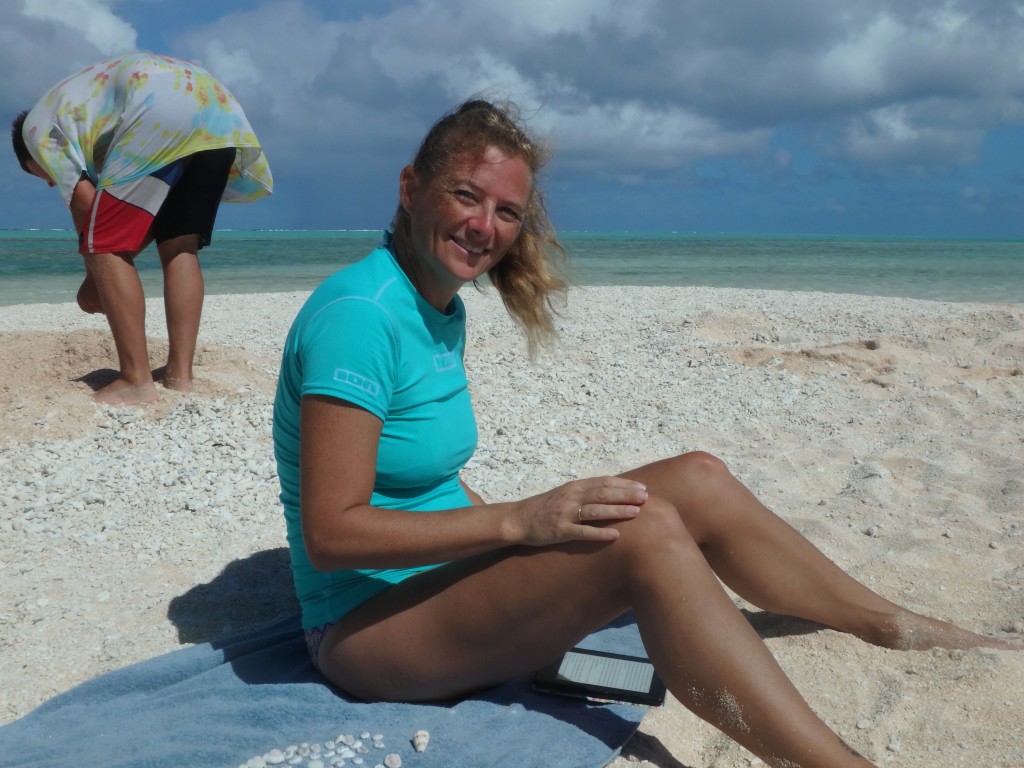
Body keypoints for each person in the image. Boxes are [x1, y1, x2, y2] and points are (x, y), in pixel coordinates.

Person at [271, 99, 1021, 768]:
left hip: (435, 586)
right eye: (466, 195)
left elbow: (424, 482)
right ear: (411, 188)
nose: (484, 225)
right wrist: (517, 522)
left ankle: (890, 623)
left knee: (697, 476)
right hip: (362, 634)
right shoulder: (361, 317)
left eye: (505, 211)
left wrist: (518, 545)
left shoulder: (436, 304)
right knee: (644, 533)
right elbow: (333, 534)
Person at [12, 52, 273, 405]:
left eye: (38, 174)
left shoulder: (35, 133)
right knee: (178, 243)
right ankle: (179, 376)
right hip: (219, 112)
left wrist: (95, 280)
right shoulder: (82, 118)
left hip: (161, 108)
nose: (46, 182)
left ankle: (135, 380)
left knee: (103, 242)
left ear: (30, 158)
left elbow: (85, 203)